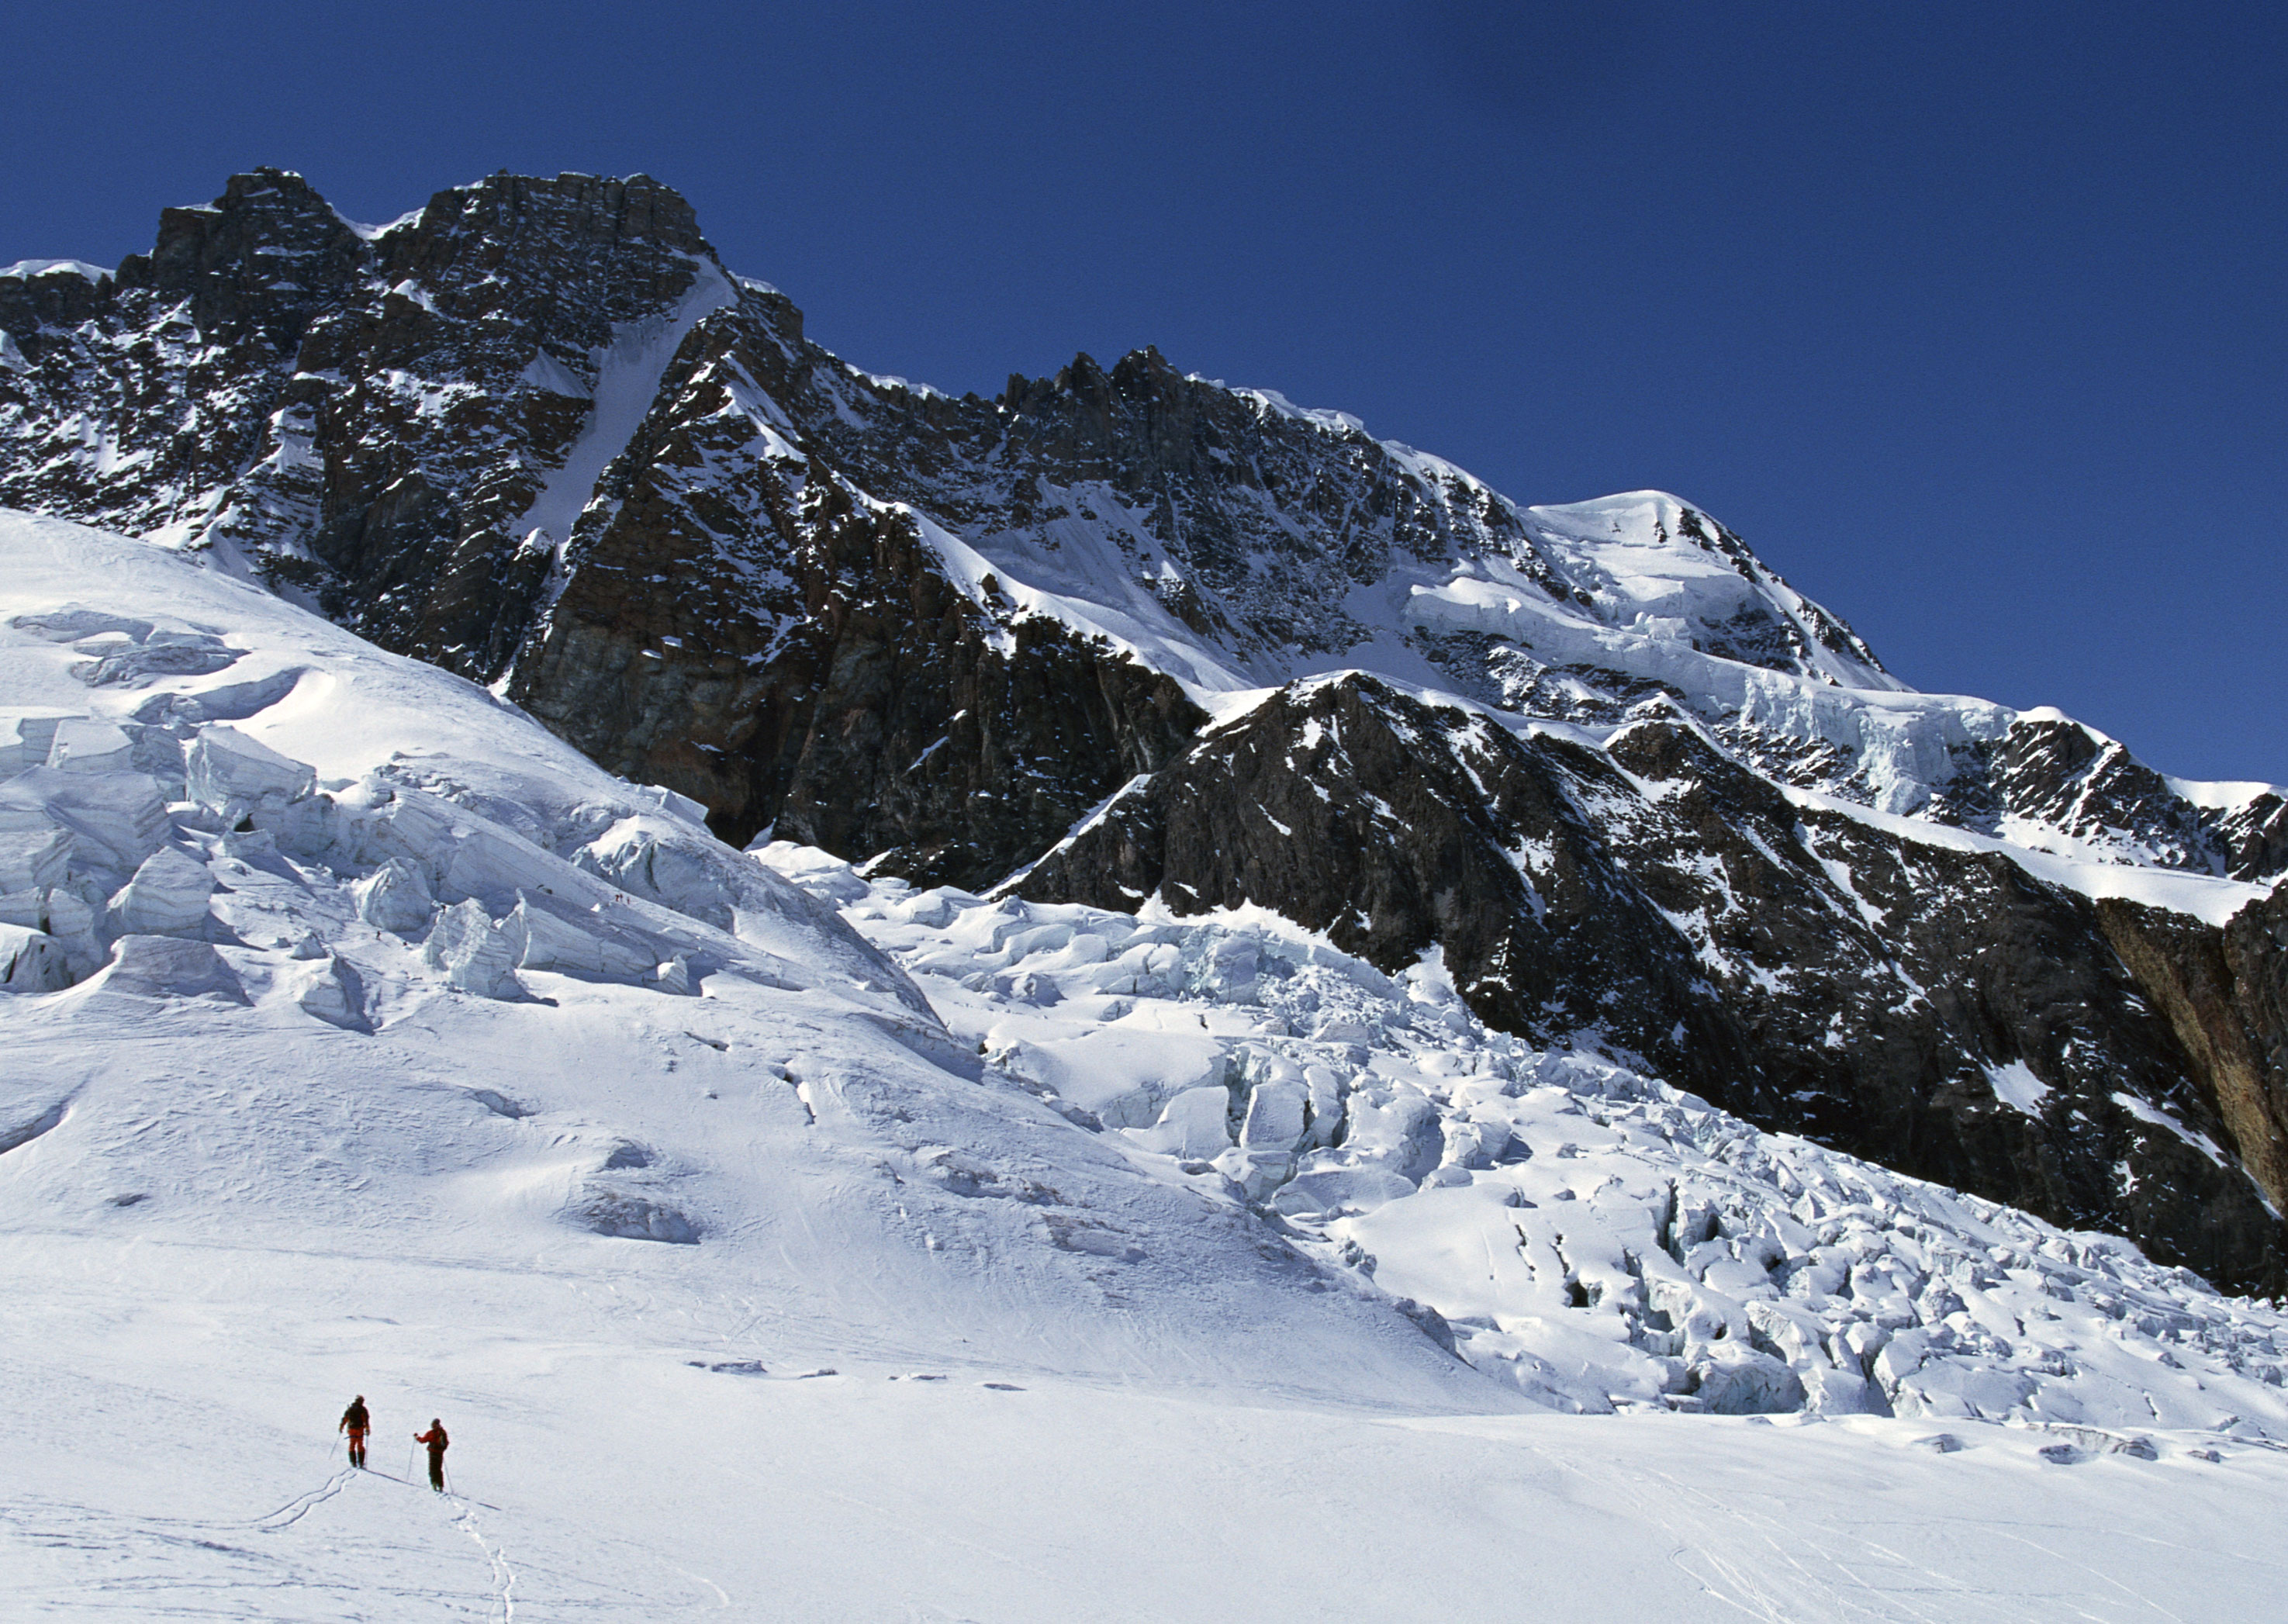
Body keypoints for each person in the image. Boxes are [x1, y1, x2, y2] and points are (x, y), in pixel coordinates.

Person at [414, 1418, 449, 1491]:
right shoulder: (443, 1433)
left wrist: (417, 1437)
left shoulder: (431, 1433)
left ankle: (434, 1484)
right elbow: (446, 1443)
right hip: (440, 1453)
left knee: (432, 1469)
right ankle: (440, 1486)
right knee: (439, 1469)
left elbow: (423, 1440)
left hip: (432, 1453)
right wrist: (442, 1450)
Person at [338, 1395, 370, 1469]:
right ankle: (361, 1463)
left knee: (352, 1445)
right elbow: (366, 1420)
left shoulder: (350, 1409)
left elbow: (345, 1418)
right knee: (360, 1445)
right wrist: (367, 1429)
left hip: (351, 1429)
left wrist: (341, 1426)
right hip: (359, 1429)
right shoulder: (363, 1409)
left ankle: (353, 1462)